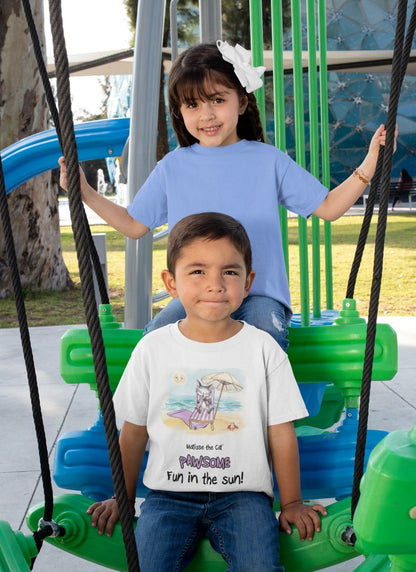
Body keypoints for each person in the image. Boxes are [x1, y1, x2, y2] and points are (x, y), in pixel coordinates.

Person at [59, 40, 395, 351]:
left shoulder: (267, 160)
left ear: (242, 101)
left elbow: (329, 207)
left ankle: (257, 415)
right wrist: (84, 191)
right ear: (180, 111)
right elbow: (133, 224)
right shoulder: (172, 167)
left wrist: (369, 165)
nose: (206, 115)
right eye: (192, 104)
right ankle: (170, 415)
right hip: (194, 299)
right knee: (155, 341)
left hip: (259, 297)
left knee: (261, 335)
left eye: (217, 100)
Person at [87, 211, 327, 571]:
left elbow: (280, 433)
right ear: (171, 283)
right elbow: (134, 432)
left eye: (229, 272)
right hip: (168, 496)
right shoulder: (153, 348)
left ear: (248, 283)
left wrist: (291, 502)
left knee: (259, 566)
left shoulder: (263, 349)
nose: (215, 284)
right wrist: (122, 497)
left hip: (243, 496)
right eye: (197, 271)